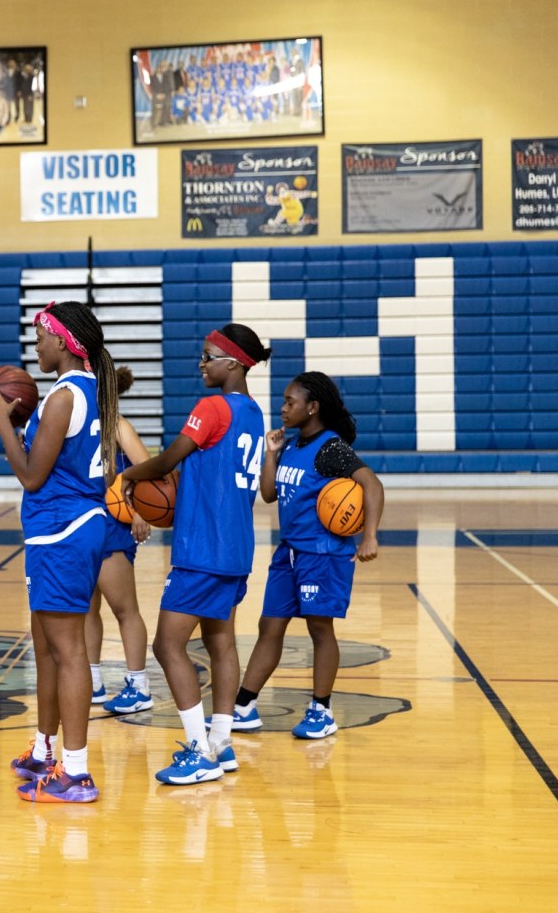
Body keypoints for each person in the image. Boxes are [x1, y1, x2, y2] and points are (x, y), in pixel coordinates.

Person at [121, 324, 270, 785]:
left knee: (167, 646)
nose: (201, 364)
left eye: (208, 356)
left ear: (233, 363)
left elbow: (168, 460)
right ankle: (221, 743)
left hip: (202, 548)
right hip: (236, 548)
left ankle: (199, 750)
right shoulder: (254, 412)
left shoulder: (212, 407)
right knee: (221, 643)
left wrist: (128, 477)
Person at [0, 301, 119, 804]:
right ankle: (44, 750)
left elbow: (31, 475)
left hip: (63, 530)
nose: (35, 346)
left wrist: (3, 421)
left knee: (68, 651)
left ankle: (76, 773)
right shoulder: (88, 390)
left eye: (40, 338)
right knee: (46, 647)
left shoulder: (64, 396)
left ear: (62, 341)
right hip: (64, 529)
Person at [234, 372, 384, 739]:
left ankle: (322, 710)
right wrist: (271, 454)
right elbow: (268, 494)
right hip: (289, 552)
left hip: (322, 553)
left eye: (290, 402)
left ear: (312, 407)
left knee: (320, 628)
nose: (283, 408)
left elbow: (372, 484)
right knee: (270, 626)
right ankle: (243, 708)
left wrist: (369, 536)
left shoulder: (331, 448)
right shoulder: (292, 445)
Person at [88, 367, 155, 714]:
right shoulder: (78, 424)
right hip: (85, 524)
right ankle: (92, 681)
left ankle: (139, 685)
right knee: (86, 608)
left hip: (113, 526)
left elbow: (149, 470)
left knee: (124, 609)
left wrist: (142, 511)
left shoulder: (116, 425)